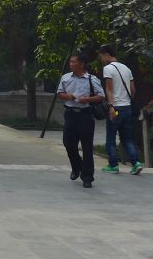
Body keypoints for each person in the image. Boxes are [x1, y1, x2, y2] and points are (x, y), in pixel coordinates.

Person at [56, 53, 105, 188]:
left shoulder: (91, 79)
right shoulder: (66, 78)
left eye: (74, 62)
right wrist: (67, 96)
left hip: (85, 115)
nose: (71, 64)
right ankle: (77, 166)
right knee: (68, 143)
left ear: (82, 64)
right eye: (70, 62)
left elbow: (101, 96)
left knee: (87, 147)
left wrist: (87, 99)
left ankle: (87, 177)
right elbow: (60, 93)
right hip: (70, 114)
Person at [98, 45, 143, 175]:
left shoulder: (108, 69)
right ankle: (136, 163)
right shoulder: (127, 69)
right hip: (127, 107)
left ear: (107, 55)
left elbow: (109, 89)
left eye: (101, 57)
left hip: (115, 107)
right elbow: (133, 91)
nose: (101, 60)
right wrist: (126, 101)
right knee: (127, 138)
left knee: (111, 138)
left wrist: (111, 106)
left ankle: (113, 165)